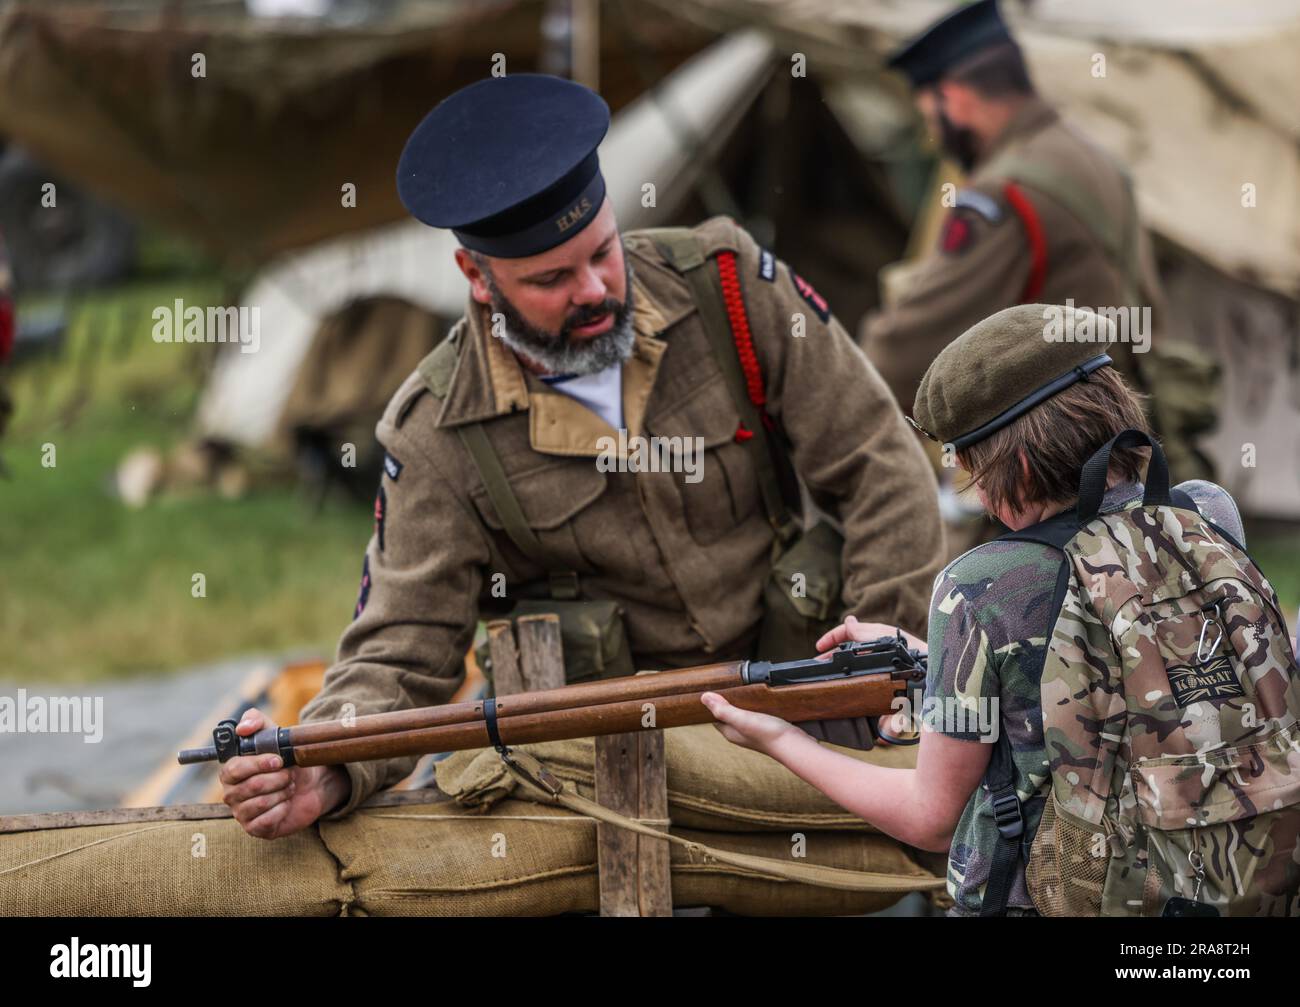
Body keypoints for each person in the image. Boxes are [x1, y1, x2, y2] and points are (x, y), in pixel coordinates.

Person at [219, 73, 946, 839]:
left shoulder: (728, 285)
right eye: (551, 280)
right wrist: (326, 763)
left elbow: (879, 463)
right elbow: (400, 648)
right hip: (614, 768)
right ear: (477, 277)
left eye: (602, 251)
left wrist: (885, 667)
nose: (596, 289)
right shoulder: (435, 434)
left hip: (808, 706)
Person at [703, 303, 1249, 916]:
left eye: (973, 471)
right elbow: (1129, 669)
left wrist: (778, 738)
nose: (982, 499)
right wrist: (938, 660)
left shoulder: (981, 584)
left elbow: (930, 817)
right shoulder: (1205, 517)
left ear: (1014, 466)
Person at [859, 0, 1217, 481]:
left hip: (1043, 469)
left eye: (931, 118)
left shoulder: (1005, 192)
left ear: (957, 98)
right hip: (1119, 445)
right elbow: (1144, 315)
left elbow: (902, 352)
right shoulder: (1096, 160)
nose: (934, 137)